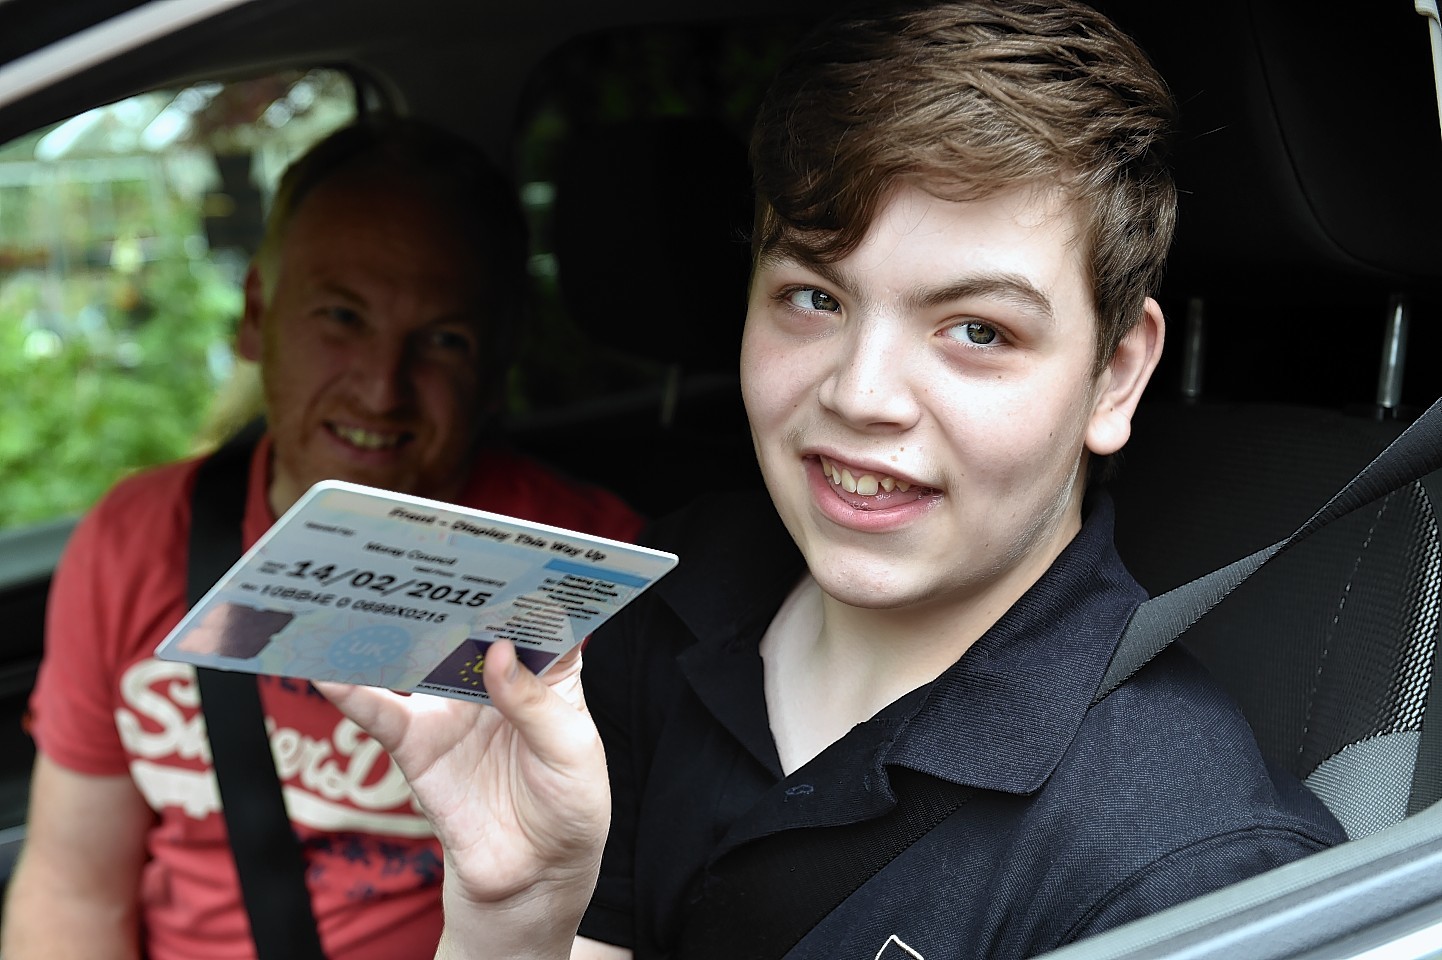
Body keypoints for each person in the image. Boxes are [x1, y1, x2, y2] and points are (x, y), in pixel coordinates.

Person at [322, 3, 1350, 959]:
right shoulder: (666, 603)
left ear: (1113, 374)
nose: (861, 394)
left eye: (977, 330)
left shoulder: (1176, 869)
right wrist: (513, 919)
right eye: (814, 297)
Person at [0, 118, 644, 960]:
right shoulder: (138, 542)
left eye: (442, 340)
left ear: (493, 367)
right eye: (341, 317)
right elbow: (73, 888)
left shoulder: (585, 568)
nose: (382, 389)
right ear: (255, 318)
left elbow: (614, 918)